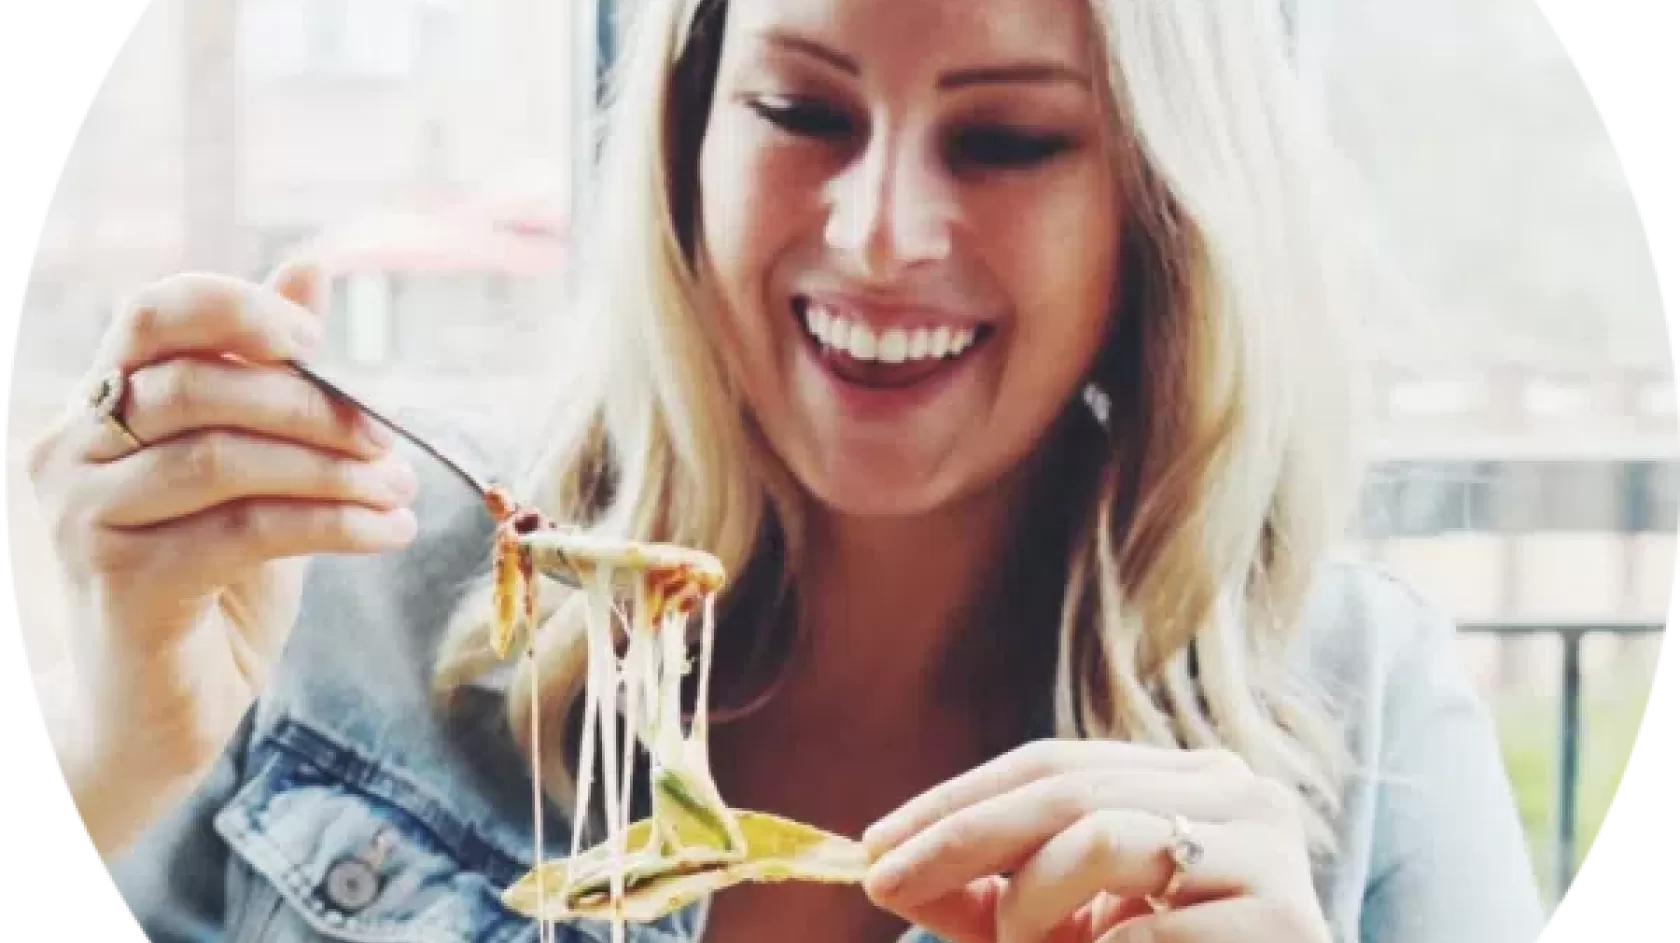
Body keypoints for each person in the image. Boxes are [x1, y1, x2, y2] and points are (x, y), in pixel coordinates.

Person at [28, 0, 1549, 940]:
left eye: (1009, 140)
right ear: (687, 141)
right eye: (800, 111)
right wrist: (117, 761)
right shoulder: (341, 573)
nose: (881, 233)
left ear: (1157, 202)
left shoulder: (1365, 707)